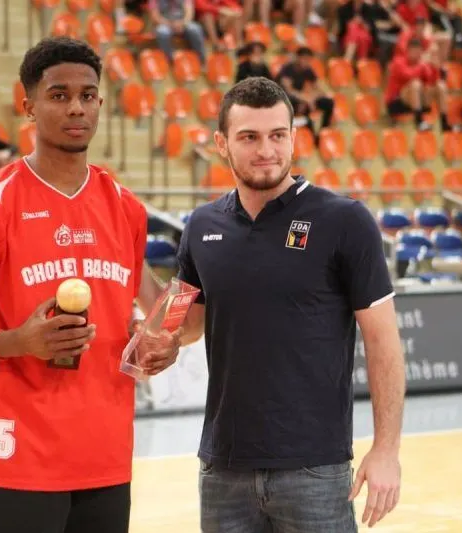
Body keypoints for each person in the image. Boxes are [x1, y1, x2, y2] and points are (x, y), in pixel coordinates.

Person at [0, 37, 182, 533]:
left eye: (87, 95)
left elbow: (152, 312)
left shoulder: (125, 207)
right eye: (59, 95)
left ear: (100, 103)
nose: (76, 107)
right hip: (19, 460)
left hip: (108, 459)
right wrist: (15, 342)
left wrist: (158, 344)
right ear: (29, 106)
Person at [139, 76, 406, 532]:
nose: (266, 150)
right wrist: (163, 334)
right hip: (223, 470)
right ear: (222, 144)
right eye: (249, 137)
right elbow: (185, 321)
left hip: (315, 471)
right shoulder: (202, 226)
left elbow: (384, 343)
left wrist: (386, 451)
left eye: (277, 135)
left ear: (294, 138)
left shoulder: (345, 221)